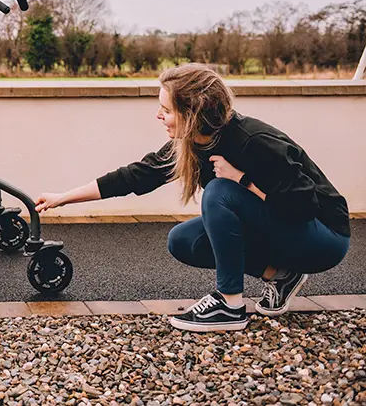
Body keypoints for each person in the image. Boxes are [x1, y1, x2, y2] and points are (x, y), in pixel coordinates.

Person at [35, 63, 351, 332]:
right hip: (288, 230)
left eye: (166, 109)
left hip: (324, 238)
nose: (159, 115)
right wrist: (63, 198)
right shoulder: (194, 142)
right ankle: (281, 275)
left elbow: (304, 204)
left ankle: (229, 305)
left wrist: (242, 179)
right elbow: (136, 175)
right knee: (184, 240)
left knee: (220, 192)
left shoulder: (254, 141)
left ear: (193, 113)